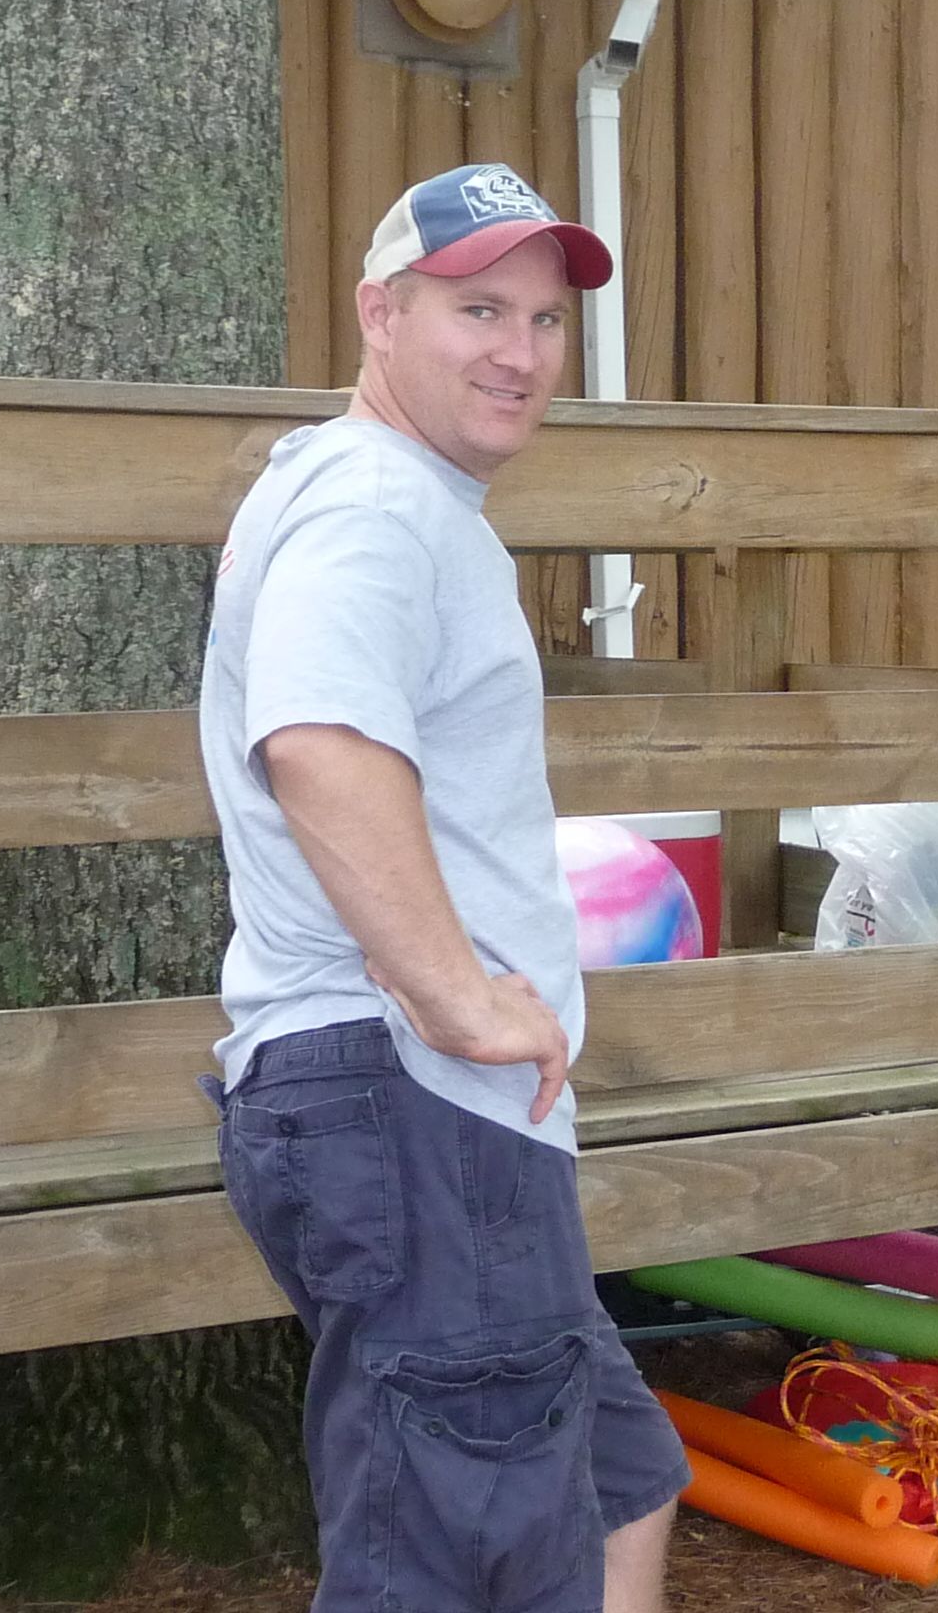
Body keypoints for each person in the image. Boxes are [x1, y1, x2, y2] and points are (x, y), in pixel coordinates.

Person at [202, 162, 682, 1612]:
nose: (520, 352)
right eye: (479, 310)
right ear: (380, 315)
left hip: (426, 1118)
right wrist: (459, 1001)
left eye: (545, 320)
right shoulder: (373, 505)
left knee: (620, 1482)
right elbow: (319, 742)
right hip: (413, 1103)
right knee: (455, 1563)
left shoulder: (392, 499)